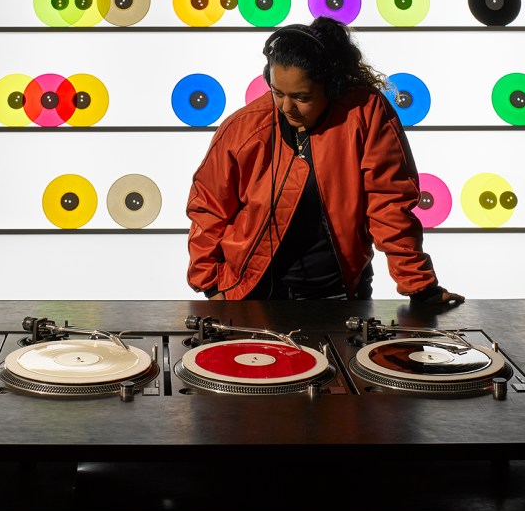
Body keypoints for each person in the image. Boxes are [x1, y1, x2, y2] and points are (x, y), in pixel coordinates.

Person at [186, 16, 463, 305]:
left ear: (332, 86)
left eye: (301, 97)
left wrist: (420, 286)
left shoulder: (365, 114)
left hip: (339, 292)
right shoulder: (244, 128)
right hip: (252, 294)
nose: (286, 107)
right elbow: (209, 208)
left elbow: (389, 204)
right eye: (277, 93)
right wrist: (211, 286)